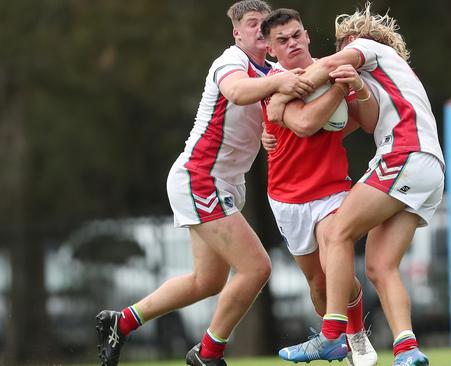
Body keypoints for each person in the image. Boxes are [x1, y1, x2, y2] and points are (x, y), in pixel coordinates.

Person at [94, 2, 316, 366]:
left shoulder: (272, 70)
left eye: (265, 24)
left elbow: (275, 107)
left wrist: (269, 127)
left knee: (207, 281)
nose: (260, 30)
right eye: (252, 24)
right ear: (237, 33)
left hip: (222, 184)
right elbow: (237, 92)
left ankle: (122, 322)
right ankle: (208, 354)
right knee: (257, 267)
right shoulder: (230, 62)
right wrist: (278, 84)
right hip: (201, 179)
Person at [268, 3, 445, 366]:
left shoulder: (372, 50)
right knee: (381, 265)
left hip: (404, 155)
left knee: (337, 234)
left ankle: (332, 335)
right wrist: (356, 89)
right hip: (427, 168)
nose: (337, 53)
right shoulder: (385, 77)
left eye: (342, 46)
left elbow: (330, 66)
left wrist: (282, 93)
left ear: (354, 40)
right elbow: (365, 120)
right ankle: (407, 350)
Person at [259, 9, 378, 366]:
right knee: (319, 285)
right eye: (282, 40)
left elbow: (366, 122)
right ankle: (338, 341)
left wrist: (353, 88)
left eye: (296, 35)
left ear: (307, 35)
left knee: (336, 258)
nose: (291, 43)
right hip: (287, 197)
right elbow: (307, 123)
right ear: (270, 49)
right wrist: (340, 88)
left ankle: (351, 336)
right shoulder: (274, 83)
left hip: (331, 190)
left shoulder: (332, 68)